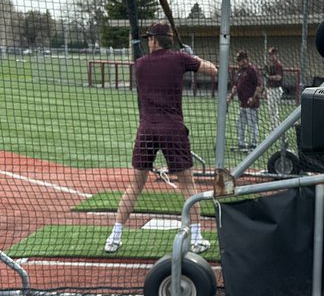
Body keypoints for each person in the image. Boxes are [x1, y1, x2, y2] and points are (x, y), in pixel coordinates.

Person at [104, 22, 217, 255]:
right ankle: (196, 239)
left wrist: (185, 57)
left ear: (155, 41)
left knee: (135, 185)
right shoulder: (180, 59)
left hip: (146, 129)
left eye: (150, 38)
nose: (148, 41)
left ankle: (114, 237)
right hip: (173, 129)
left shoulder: (140, 64)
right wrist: (191, 56)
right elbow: (213, 70)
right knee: (188, 185)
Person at [227, 49, 262, 150]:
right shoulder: (240, 71)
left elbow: (259, 86)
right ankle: (241, 143)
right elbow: (236, 86)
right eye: (238, 60)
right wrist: (230, 97)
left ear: (246, 59)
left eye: (241, 60)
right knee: (240, 124)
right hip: (242, 103)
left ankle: (254, 144)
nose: (239, 62)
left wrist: (254, 98)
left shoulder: (252, 70)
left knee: (252, 124)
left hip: (251, 103)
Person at [264, 45, 285, 129]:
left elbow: (279, 77)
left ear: (276, 55)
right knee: (271, 111)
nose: (271, 56)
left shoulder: (278, 65)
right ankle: (274, 128)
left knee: (273, 111)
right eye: (270, 55)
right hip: (271, 89)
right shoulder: (270, 64)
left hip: (276, 89)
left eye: (272, 54)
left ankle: (275, 128)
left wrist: (269, 77)